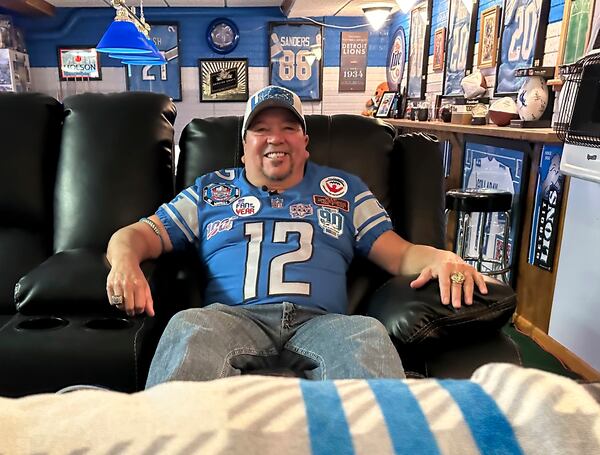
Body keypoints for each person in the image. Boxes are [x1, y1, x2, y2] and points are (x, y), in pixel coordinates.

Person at [106, 85, 488, 386]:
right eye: (261, 129)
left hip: (322, 323)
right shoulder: (211, 190)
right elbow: (137, 234)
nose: (276, 137)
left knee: (367, 333)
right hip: (231, 319)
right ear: (245, 147)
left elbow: (399, 254)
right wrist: (124, 262)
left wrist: (442, 257)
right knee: (188, 326)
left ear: (305, 143)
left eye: (289, 127)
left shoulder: (344, 189)